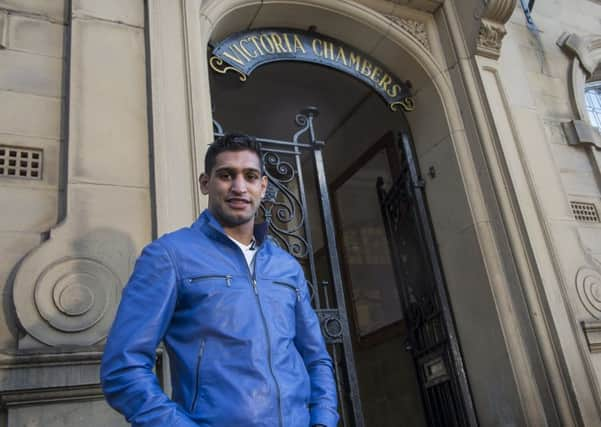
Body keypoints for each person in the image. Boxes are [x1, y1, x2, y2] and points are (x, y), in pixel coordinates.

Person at [100, 133, 338, 427]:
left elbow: (316, 359)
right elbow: (123, 368)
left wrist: (323, 421)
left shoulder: (286, 267)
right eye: (226, 175)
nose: (239, 187)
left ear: (262, 187)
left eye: (250, 176)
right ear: (205, 183)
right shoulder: (169, 256)